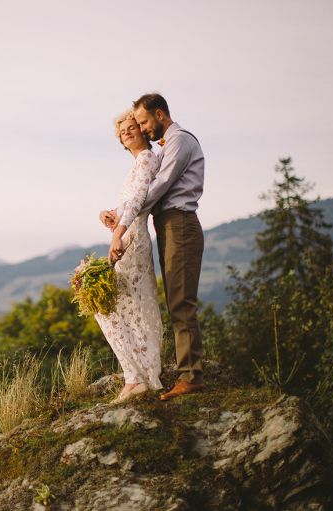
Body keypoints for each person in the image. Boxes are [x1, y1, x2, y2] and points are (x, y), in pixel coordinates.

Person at [132, 93, 206, 401]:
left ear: (160, 114)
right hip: (167, 226)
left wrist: (129, 212)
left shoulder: (180, 141)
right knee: (175, 298)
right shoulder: (166, 146)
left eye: (144, 121)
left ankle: (191, 376)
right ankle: (186, 371)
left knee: (181, 302)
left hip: (180, 225)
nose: (144, 128)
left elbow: (160, 185)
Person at [97, 109, 164, 403]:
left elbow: (138, 201)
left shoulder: (148, 158)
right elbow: (129, 202)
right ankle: (135, 375)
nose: (126, 132)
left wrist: (117, 235)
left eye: (131, 127)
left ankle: (140, 376)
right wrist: (111, 215)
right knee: (119, 305)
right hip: (129, 236)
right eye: (122, 131)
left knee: (121, 304)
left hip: (133, 241)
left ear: (142, 130)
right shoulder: (137, 164)